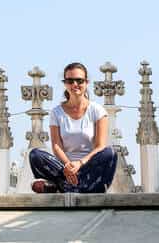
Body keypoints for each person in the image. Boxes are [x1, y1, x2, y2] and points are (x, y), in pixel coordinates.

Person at [29, 62, 117, 193]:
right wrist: (67, 165)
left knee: (110, 153)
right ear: (65, 84)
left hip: (88, 168)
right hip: (64, 169)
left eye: (79, 80)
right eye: (70, 81)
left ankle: (62, 186)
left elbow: (100, 147)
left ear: (86, 83)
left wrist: (80, 164)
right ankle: (71, 186)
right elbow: (56, 146)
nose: (75, 84)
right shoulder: (56, 112)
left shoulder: (97, 110)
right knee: (35, 154)